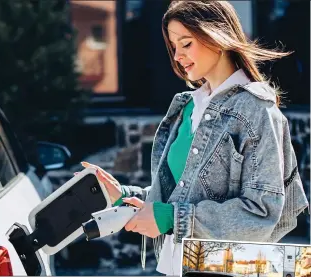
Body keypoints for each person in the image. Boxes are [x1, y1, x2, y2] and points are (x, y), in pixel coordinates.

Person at [79, 1, 308, 275]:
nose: (177, 56)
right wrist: (128, 197)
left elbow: (262, 212)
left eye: (186, 44)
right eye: (174, 47)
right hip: (177, 265)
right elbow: (184, 195)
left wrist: (171, 218)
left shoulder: (257, 110)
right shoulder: (188, 106)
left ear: (217, 37)